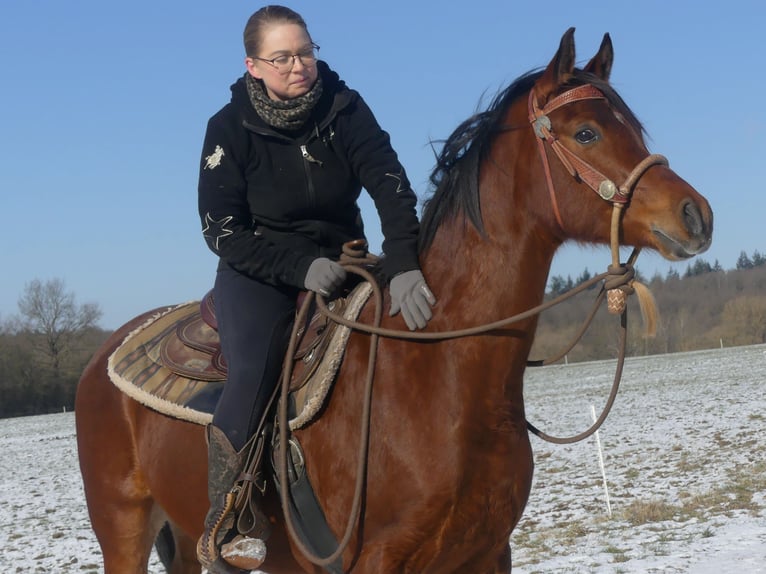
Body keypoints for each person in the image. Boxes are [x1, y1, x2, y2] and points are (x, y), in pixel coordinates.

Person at [195, 5, 436, 572]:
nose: (299, 65)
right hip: (259, 273)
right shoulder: (226, 129)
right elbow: (221, 231)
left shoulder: (345, 107)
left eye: (305, 51)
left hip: (348, 258)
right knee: (254, 369)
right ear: (253, 65)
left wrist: (403, 262)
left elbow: (391, 184)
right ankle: (227, 519)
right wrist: (298, 269)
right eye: (282, 57)